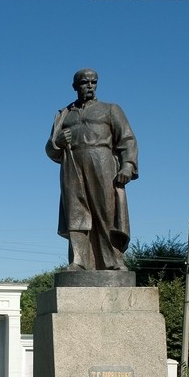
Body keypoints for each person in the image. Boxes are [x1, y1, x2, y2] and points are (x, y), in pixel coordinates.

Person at [45, 68, 138, 271]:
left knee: (106, 212)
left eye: (93, 82)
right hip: (72, 165)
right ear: (75, 87)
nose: (89, 86)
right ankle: (78, 261)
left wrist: (127, 166)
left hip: (102, 163)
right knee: (76, 215)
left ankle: (112, 260)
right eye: (85, 83)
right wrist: (57, 143)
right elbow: (50, 149)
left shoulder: (111, 109)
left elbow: (127, 140)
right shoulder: (64, 115)